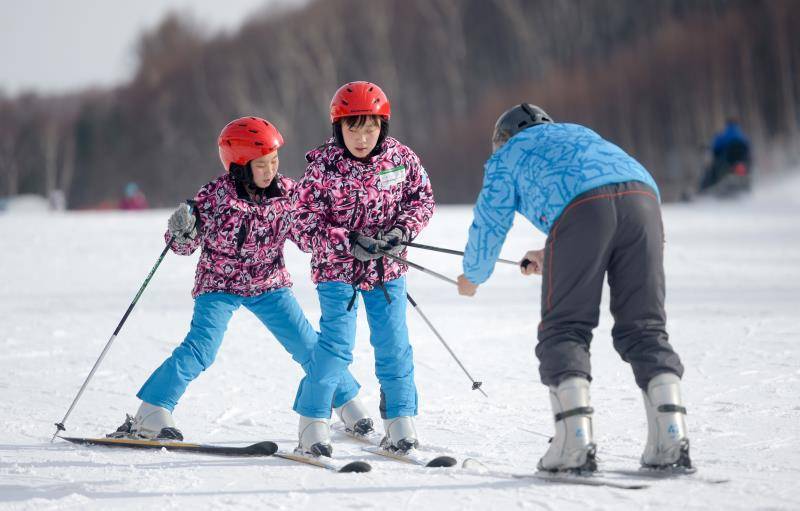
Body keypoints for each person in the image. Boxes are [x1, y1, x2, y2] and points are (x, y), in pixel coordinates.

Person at [457, 104, 691, 473]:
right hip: (644, 203)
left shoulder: (507, 155)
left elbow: (490, 221)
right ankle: (671, 438)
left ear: (501, 141)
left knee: (565, 327)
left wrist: (472, 275)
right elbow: (610, 197)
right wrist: (555, 251)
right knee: (644, 326)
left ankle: (574, 445)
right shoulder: (580, 134)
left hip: (583, 212)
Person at [108, 116, 366, 441]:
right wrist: (182, 230)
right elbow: (185, 246)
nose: (270, 170)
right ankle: (152, 410)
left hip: (268, 285)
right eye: (261, 165)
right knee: (202, 347)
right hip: (219, 285)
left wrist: (348, 238)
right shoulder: (215, 198)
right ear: (240, 166)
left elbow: (307, 235)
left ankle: (344, 401)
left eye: (274, 161)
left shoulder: (288, 194)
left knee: (309, 345)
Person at [290, 81, 435, 457]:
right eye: (352, 127)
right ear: (338, 127)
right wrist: (346, 240)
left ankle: (401, 421)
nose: (361, 136)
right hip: (338, 274)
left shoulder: (400, 158)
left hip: (388, 272)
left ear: (382, 126)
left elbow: (422, 198)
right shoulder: (322, 167)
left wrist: (402, 231)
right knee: (336, 348)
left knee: (394, 345)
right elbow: (301, 222)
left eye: (370, 127)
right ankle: (313, 422)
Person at [699, 119, 752, 196]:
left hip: (727, 165)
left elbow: (715, 148)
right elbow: (749, 150)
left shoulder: (723, 136)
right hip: (743, 165)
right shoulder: (744, 136)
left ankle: (704, 191)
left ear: (727, 125)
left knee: (711, 169)